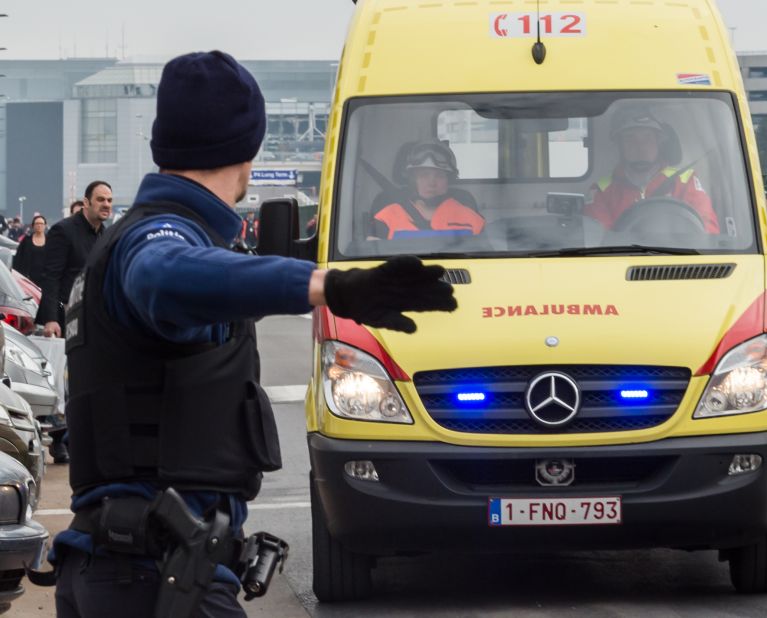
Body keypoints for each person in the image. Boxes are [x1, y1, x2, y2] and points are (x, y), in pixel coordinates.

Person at [40, 51, 458, 617]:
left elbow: (215, 292)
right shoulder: (158, 241)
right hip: (154, 577)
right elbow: (168, 277)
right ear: (246, 152)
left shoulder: (144, 239)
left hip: (132, 569)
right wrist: (329, 286)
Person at [585, 104, 718, 233]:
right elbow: (598, 241)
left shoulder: (685, 181)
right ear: (620, 145)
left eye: (647, 138)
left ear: (658, 143)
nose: (640, 146)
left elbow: (707, 230)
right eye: (630, 139)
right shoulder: (601, 191)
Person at [36, 181, 113, 338]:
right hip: (65, 318)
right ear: (86, 202)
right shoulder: (63, 230)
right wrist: (51, 319)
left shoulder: (106, 235)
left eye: (109, 200)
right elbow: (51, 277)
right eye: (100, 199)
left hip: (95, 319)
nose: (106, 204)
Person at [372, 141, 484, 239]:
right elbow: (373, 258)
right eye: (424, 175)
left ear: (448, 180)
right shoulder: (385, 218)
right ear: (412, 180)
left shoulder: (471, 219)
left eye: (440, 176)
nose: (432, 183)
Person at [12, 215, 48, 287]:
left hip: (46, 279)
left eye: (41, 224)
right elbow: (18, 259)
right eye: (37, 223)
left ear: (45, 225)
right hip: (28, 279)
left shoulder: (51, 241)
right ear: (33, 225)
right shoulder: (26, 240)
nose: (39, 226)